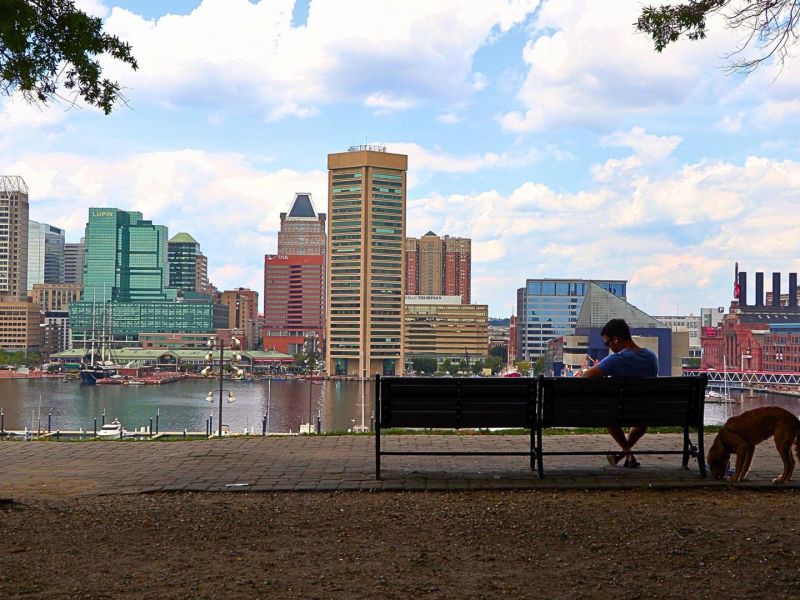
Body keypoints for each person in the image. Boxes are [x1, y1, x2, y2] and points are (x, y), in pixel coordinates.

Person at [580, 318, 658, 468]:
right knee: (640, 421)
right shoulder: (651, 356)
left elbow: (586, 376)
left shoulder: (616, 360)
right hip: (646, 412)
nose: (607, 346)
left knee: (609, 417)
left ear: (615, 340)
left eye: (607, 342)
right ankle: (627, 454)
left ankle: (626, 452)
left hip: (618, 413)